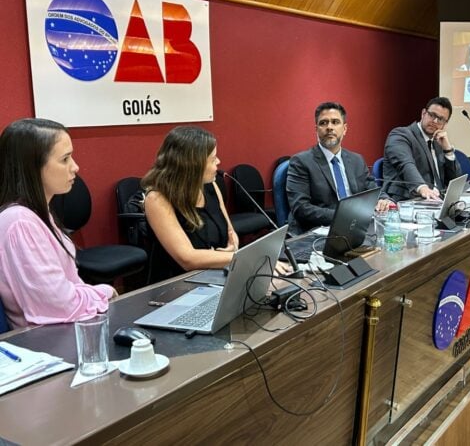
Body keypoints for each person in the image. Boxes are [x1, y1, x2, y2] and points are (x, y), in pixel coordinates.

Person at [0, 118, 116, 330]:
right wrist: (104, 292)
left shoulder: (38, 213)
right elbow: (59, 305)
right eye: (65, 159)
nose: (75, 167)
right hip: (46, 342)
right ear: (33, 167)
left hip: (65, 329)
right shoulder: (19, 222)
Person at [142, 126, 290, 282]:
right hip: (177, 286)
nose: (219, 162)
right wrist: (247, 258)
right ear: (192, 164)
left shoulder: (211, 185)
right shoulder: (157, 199)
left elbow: (230, 232)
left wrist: (233, 245)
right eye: (213, 159)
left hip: (216, 275)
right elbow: (187, 258)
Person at [286, 102, 392, 236]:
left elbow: (372, 189)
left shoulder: (356, 160)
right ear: (316, 129)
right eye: (323, 123)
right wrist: (344, 216)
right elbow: (301, 209)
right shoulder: (301, 162)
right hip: (318, 231)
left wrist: (384, 199)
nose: (329, 127)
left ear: (345, 128)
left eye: (335, 122)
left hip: (355, 228)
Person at [382, 97, 462, 202]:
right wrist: (422, 188)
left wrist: (448, 150)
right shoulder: (400, 135)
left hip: (438, 201)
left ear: (445, 124)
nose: (435, 121)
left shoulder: (438, 141)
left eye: (441, 119)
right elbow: (406, 164)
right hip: (409, 201)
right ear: (423, 113)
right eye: (432, 115)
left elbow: (455, 182)